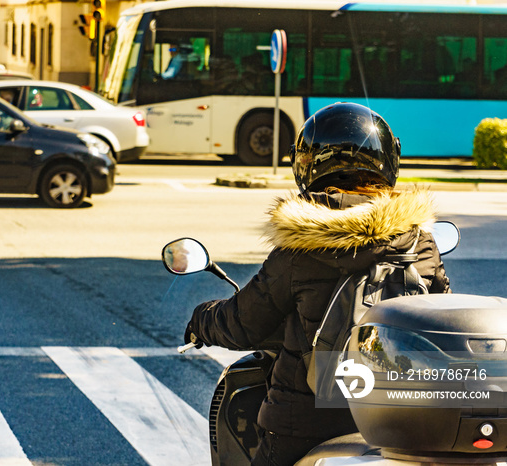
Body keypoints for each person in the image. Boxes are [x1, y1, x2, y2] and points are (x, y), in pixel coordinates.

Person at [183, 102, 451, 466]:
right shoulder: (418, 241)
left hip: (305, 420)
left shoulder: (300, 248)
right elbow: (444, 317)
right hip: (400, 418)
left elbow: (245, 323)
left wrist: (202, 320)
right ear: (388, 160)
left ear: (307, 165)